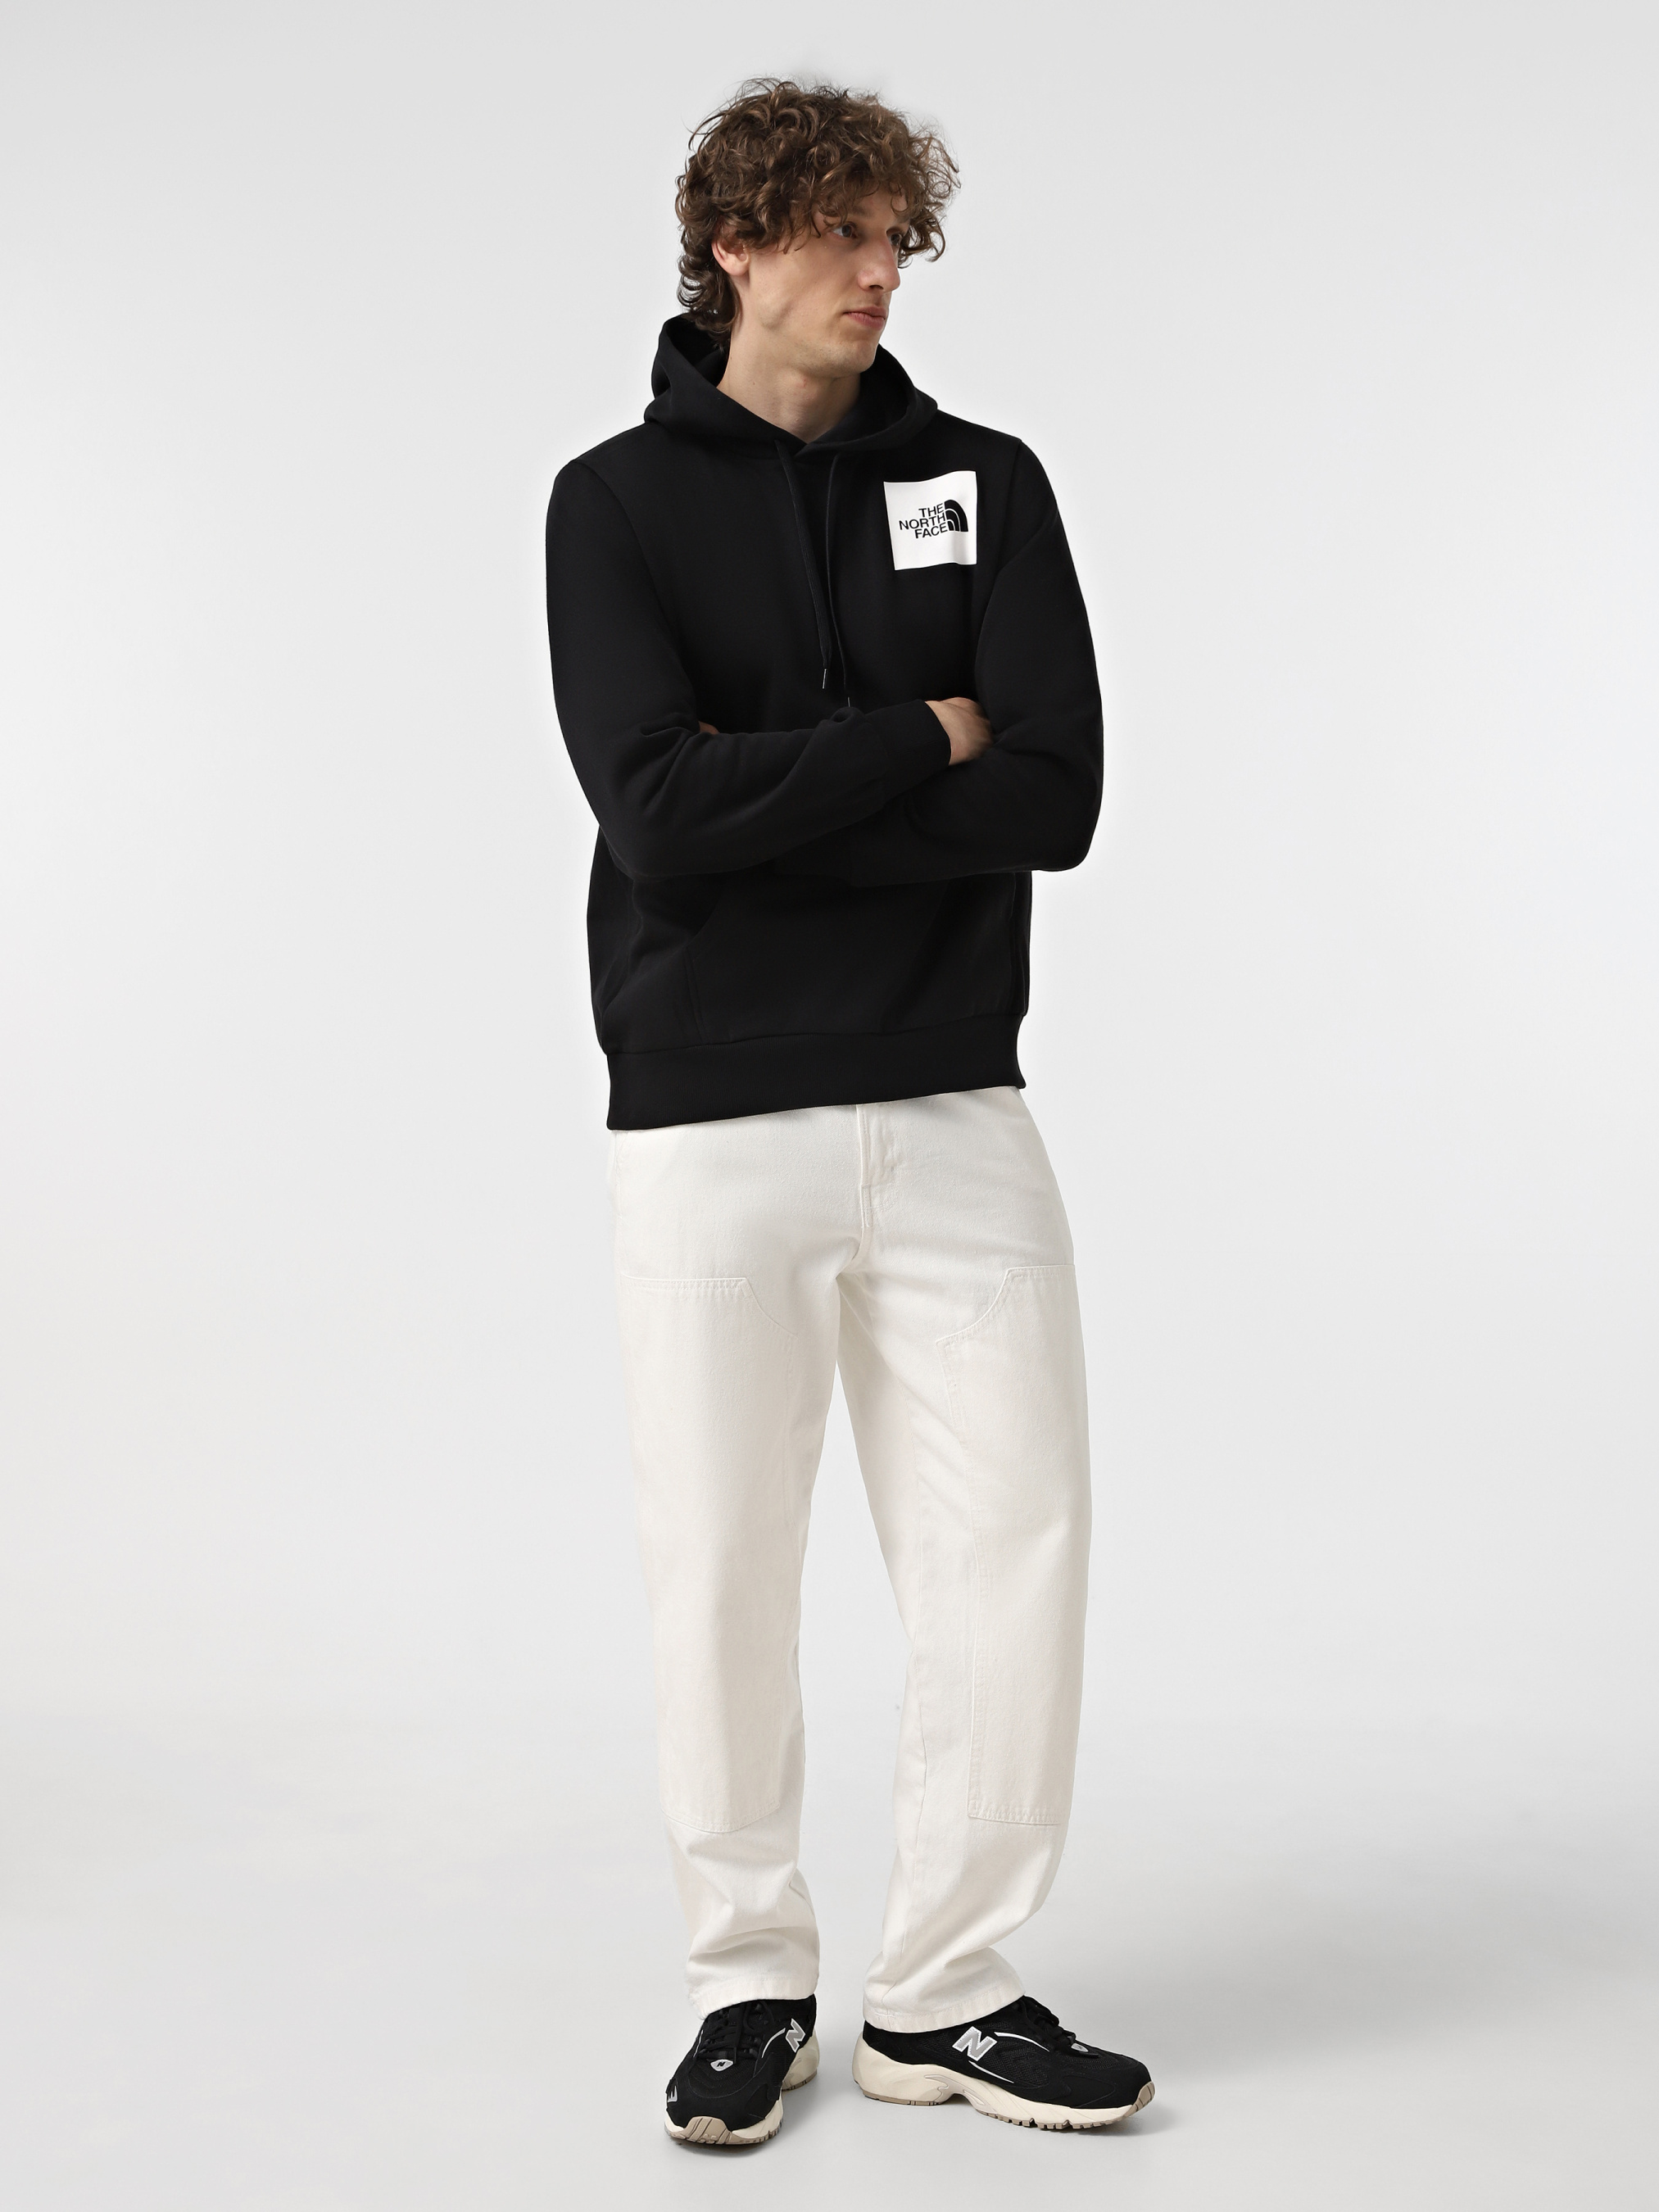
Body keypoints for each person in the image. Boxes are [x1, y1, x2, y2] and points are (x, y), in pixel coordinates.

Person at [545, 78, 1154, 2148]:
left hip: (956, 1102)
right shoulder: (613, 503)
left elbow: (1052, 797)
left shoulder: (984, 480)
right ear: (734, 240)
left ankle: (946, 1992)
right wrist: (918, 735)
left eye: (902, 237)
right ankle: (748, 1982)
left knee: (1013, 1552)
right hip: (708, 1119)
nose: (883, 271)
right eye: (844, 233)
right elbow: (655, 811)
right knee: (719, 1560)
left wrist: (783, 794)